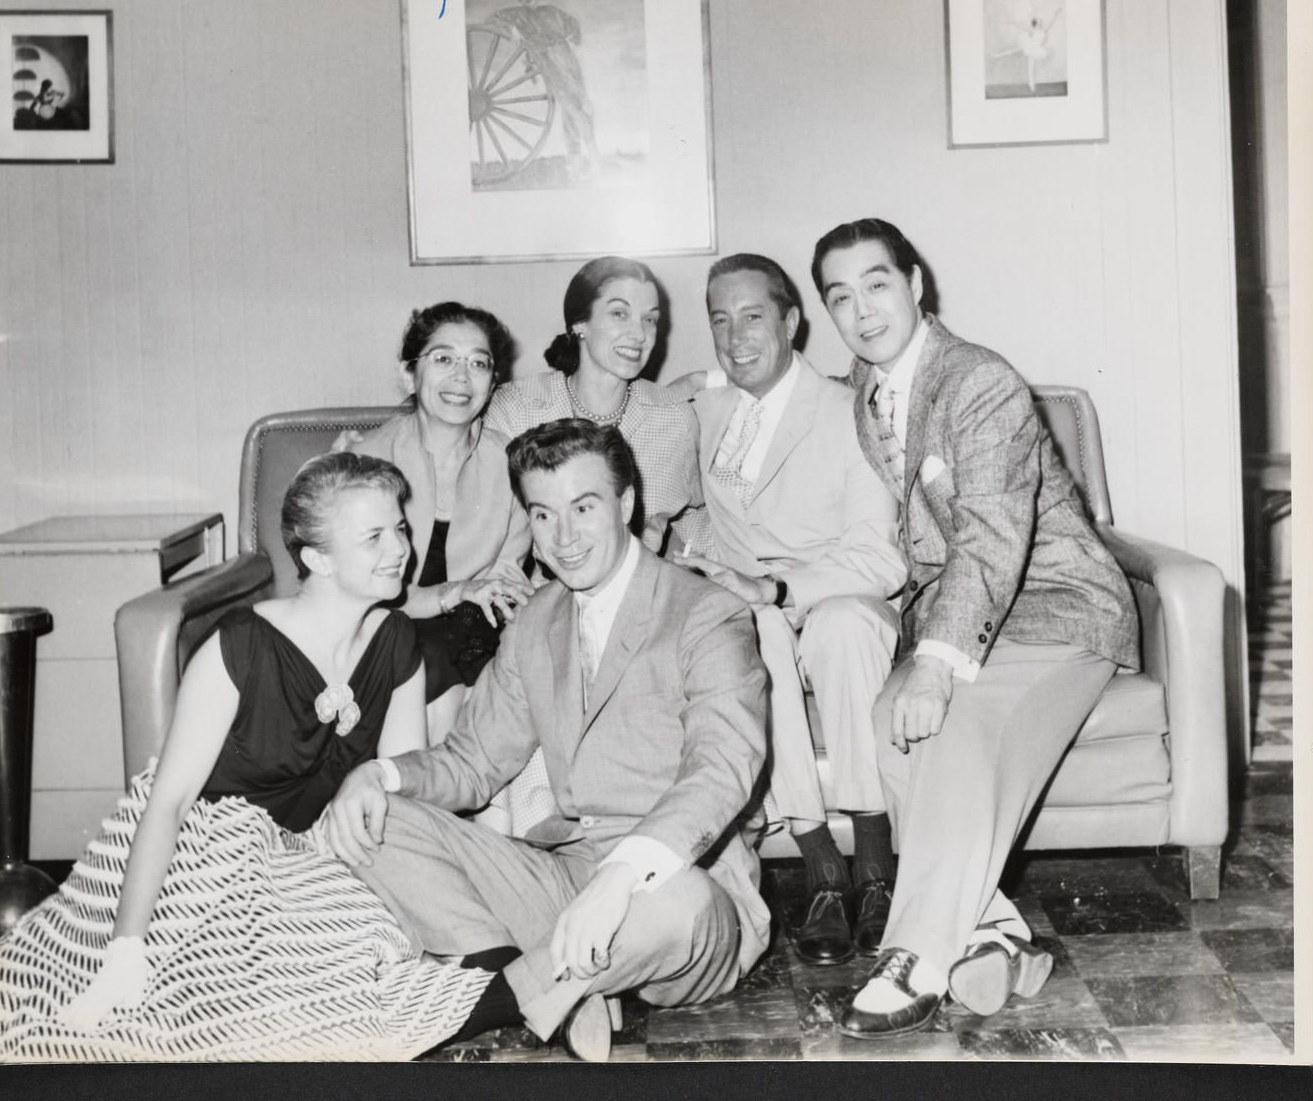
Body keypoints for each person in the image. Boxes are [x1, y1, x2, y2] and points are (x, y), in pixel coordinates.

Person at [0, 453, 491, 1062]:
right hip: (194, 853)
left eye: (399, 527)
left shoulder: (397, 642)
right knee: (156, 1016)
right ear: (317, 559)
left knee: (340, 990)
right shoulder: (238, 646)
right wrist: (126, 950)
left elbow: (401, 795)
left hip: (303, 859)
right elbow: (166, 805)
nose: (399, 547)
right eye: (373, 536)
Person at [323, 419, 771, 1062]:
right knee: (375, 818)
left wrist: (622, 877)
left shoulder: (707, 612)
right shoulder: (536, 620)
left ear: (625, 504)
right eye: (542, 514)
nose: (563, 537)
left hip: (682, 893)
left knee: (678, 902)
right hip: (568, 882)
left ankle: (487, 1003)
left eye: (583, 508)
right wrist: (380, 776)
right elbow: (473, 761)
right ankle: (561, 986)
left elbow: (722, 768)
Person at [808, 219, 1140, 1039]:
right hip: (983, 610)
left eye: (877, 284)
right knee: (888, 725)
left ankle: (915, 954)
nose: (861, 309)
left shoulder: (978, 379)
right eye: (839, 296)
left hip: (1062, 606)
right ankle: (989, 932)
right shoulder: (866, 393)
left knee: (950, 720)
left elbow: (990, 535)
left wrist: (935, 663)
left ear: (916, 283)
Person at [678, 253, 906, 967]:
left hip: (845, 604)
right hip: (761, 614)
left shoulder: (848, 410)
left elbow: (883, 560)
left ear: (791, 321)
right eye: (720, 319)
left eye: (753, 316)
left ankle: (874, 869)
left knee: (833, 624)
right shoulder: (708, 410)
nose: (736, 336)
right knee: (751, 629)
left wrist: (776, 586)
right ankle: (823, 875)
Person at [335, 303, 534, 743]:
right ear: (409, 374)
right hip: (381, 629)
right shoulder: (365, 459)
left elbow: (504, 580)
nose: (462, 377)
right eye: (443, 359)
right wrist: (452, 594)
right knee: (423, 656)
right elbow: (355, 594)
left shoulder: (513, 463)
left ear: (493, 382)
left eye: (478, 363)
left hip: (474, 633)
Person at [484, 255, 712, 560]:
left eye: (650, 319)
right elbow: (488, 527)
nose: (640, 335)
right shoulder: (516, 409)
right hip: (538, 591)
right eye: (620, 313)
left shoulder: (674, 417)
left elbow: (692, 518)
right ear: (580, 323)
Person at [489, 0, 600, 178]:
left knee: (571, 111)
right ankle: (591, 160)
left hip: (566, 58)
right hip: (546, 60)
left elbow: (573, 23)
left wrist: (574, 40)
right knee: (574, 107)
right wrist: (511, 27)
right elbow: (492, 18)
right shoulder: (517, 15)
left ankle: (577, 166)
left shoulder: (551, 11)